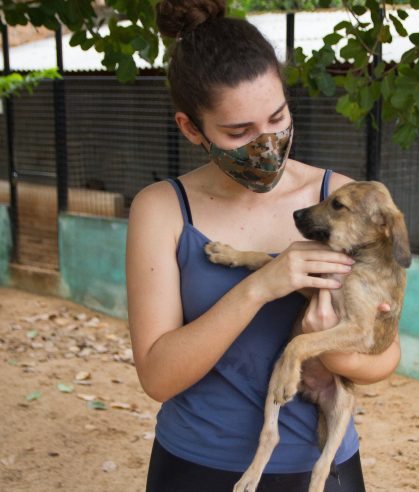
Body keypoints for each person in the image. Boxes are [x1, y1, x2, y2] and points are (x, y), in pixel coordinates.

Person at [126, 1, 401, 490]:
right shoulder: (163, 209)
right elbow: (158, 378)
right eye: (240, 131)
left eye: (277, 117)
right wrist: (259, 286)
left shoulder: (341, 202)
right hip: (197, 465)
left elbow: (384, 356)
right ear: (192, 128)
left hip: (320, 467)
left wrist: (329, 347)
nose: (268, 142)